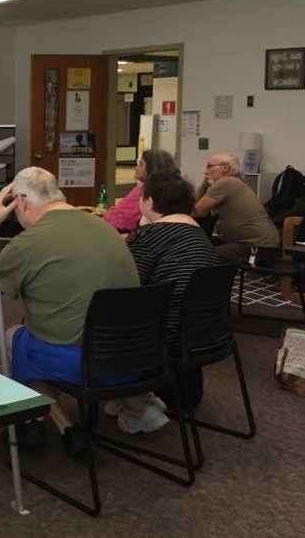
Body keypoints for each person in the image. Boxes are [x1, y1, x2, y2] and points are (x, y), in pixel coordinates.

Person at [0, 166, 139, 459]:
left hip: (83, 364)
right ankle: (49, 423)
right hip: (133, 355)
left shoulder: (32, 239)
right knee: (43, 333)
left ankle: (46, 422)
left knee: (16, 337)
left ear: (21, 201)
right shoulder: (104, 226)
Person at [105, 171, 221, 433]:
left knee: (100, 317)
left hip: (163, 337)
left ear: (149, 201)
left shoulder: (152, 236)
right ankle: (128, 396)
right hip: (207, 333)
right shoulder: (199, 235)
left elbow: (128, 283)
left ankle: (133, 399)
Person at [193, 152, 280, 266]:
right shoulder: (234, 183)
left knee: (201, 256)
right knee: (199, 247)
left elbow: (197, 212)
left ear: (225, 168)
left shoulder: (226, 182)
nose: (206, 172)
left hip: (256, 247)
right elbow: (198, 207)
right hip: (254, 245)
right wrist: (206, 183)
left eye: (209, 166)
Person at [103, 148, 177, 234]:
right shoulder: (175, 189)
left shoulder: (145, 189)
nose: (135, 168)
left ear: (152, 169)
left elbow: (116, 218)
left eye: (140, 165)